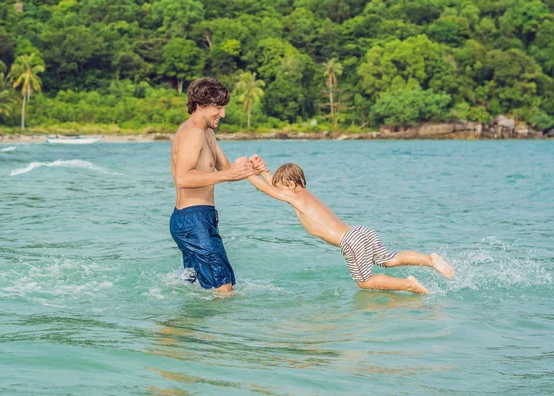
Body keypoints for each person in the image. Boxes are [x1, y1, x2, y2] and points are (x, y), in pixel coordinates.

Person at [247, 157, 454, 294]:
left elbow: (270, 191)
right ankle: (429, 259)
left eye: (283, 187)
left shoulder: (295, 197)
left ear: (291, 186)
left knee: (364, 282)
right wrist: (263, 170)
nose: (281, 191)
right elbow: (275, 187)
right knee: (389, 260)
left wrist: (246, 173)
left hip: (350, 240)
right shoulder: (304, 195)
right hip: (360, 231)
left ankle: (408, 284)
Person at [170, 78, 256, 293]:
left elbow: (225, 168)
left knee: (197, 287)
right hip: (193, 219)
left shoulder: (207, 132)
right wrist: (228, 175)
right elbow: (182, 178)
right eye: (218, 107)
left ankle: (188, 325)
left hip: (200, 218)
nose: (223, 114)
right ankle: (224, 327)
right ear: (200, 105)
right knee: (223, 285)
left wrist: (249, 167)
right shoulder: (193, 133)